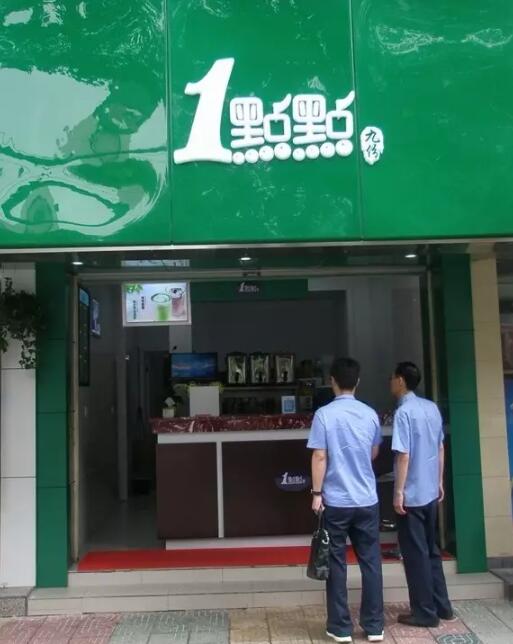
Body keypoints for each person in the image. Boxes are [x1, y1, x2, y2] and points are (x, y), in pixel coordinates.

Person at [308, 357, 384, 643]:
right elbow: (374, 452)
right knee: (371, 562)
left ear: (332, 381)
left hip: (337, 501)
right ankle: (374, 626)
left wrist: (317, 494)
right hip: (366, 499)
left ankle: (340, 628)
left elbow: (319, 455)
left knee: (336, 563)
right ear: (358, 381)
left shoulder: (324, 415)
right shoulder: (370, 414)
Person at [391, 361, 454, 628]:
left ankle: (424, 612)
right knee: (431, 551)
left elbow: (403, 455)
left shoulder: (403, 412)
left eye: (393, 378)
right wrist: (439, 481)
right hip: (430, 492)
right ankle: (442, 606)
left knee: (415, 555)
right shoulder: (431, 408)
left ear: (401, 381)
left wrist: (399, 492)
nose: (391, 382)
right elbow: (440, 447)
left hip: (413, 496)